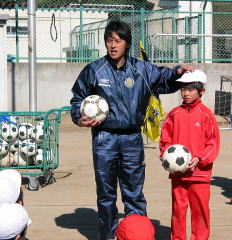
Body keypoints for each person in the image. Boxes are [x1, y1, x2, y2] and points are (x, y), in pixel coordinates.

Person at [70, 20, 195, 240]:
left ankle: (137, 235)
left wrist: (178, 72)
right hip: (104, 139)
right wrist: (79, 119)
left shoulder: (142, 70)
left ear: (127, 44)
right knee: (106, 194)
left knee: (134, 193)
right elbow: (77, 98)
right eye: (109, 40)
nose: (113, 45)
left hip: (132, 139)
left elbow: (165, 78)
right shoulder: (94, 70)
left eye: (118, 41)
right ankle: (108, 235)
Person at [159, 70, 220, 240]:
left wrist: (200, 157)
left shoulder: (207, 115)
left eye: (191, 89)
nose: (185, 93)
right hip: (178, 174)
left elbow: (213, 143)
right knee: (178, 210)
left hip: (200, 174)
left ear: (201, 91)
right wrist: (166, 157)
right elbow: (165, 140)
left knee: (199, 211)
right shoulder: (173, 114)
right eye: (183, 89)